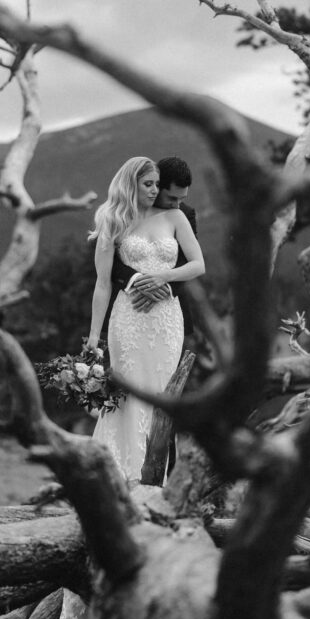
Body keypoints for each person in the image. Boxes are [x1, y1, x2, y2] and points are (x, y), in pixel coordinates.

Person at [86, 156, 204, 481]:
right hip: (129, 318)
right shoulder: (114, 219)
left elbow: (197, 264)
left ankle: (157, 480)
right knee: (126, 393)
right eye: (149, 185)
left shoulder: (178, 216)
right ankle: (116, 476)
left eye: (155, 185)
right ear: (133, 184)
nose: (154, 191)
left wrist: (163, 278)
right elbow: (103, 281)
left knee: (163, 396)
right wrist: (93, 337)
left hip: (167, 320)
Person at [109, 156, 197, 334]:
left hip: (169, 311)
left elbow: (187, 260)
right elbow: (106, 258)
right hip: (129, 305)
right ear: (157, 185)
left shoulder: (183, 214)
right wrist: (138, 281)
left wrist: (163, 286)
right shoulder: (122, 211)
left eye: (182, 198)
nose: (177, 205)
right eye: (172, 198)